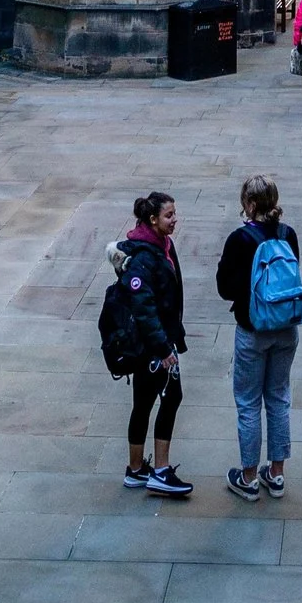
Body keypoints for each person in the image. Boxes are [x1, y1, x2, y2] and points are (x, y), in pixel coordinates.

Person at [214, 174, 302, 500]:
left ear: (249, 204)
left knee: (249, 402)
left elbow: (225, 288)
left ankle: (249, 477)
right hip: (286, 328)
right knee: (279, 398)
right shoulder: (287, 234)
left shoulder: (241, 239)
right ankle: (276, 474)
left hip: (253, 330)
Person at [109, 191, 191, 496]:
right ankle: (160, 470)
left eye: (174, 214)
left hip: (152, 344)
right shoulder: (145, 256)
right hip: (152, 348)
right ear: (152, 219)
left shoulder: (161, 245)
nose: (174, 220)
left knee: (143, 403)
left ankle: (135, 470)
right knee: (171, 398)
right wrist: (164, 349)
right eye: (169, 216)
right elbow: (144, 308)